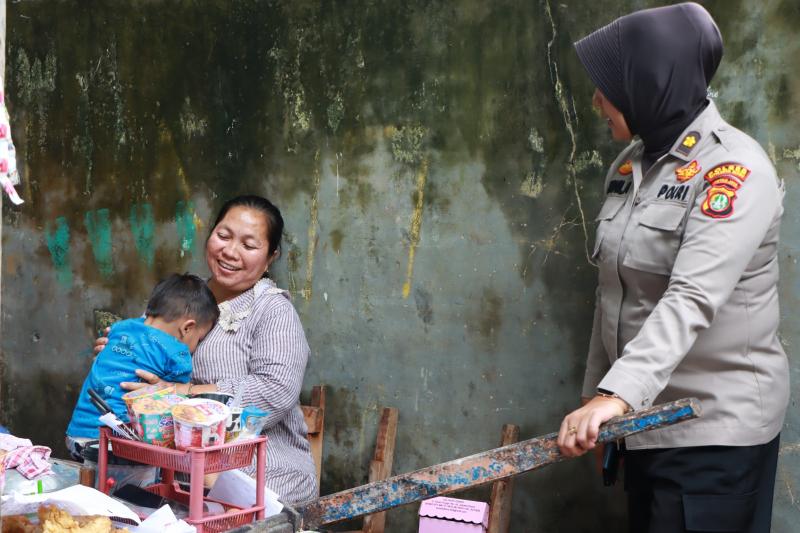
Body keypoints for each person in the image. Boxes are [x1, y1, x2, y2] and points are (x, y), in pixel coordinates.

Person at [557, 3, 789, 532]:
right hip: (642, 420)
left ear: (651, 83)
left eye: (608, 87)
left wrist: (616, 396)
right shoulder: (631, 166)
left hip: (713, 435)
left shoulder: (734, 170)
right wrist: (598, 402)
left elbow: (690, 297)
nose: (596, 101)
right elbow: (612, 291)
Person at [96, 195, 317, 504]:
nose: (230, 251)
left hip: (258, 474)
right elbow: (149, 347)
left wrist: (182, 392)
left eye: (249, 246)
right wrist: (120, 353)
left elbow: (275, 390)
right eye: (223, 236)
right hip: (173, 474)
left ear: (270, 257)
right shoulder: (185, 294)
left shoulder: (272, 310)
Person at [66, 273, 218, 456]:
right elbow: (177, 405)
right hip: (119, 443)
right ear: (187, 328)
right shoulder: (177, 354)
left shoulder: (119, 328)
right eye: (199, 339)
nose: (197, 345)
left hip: (77, 433)